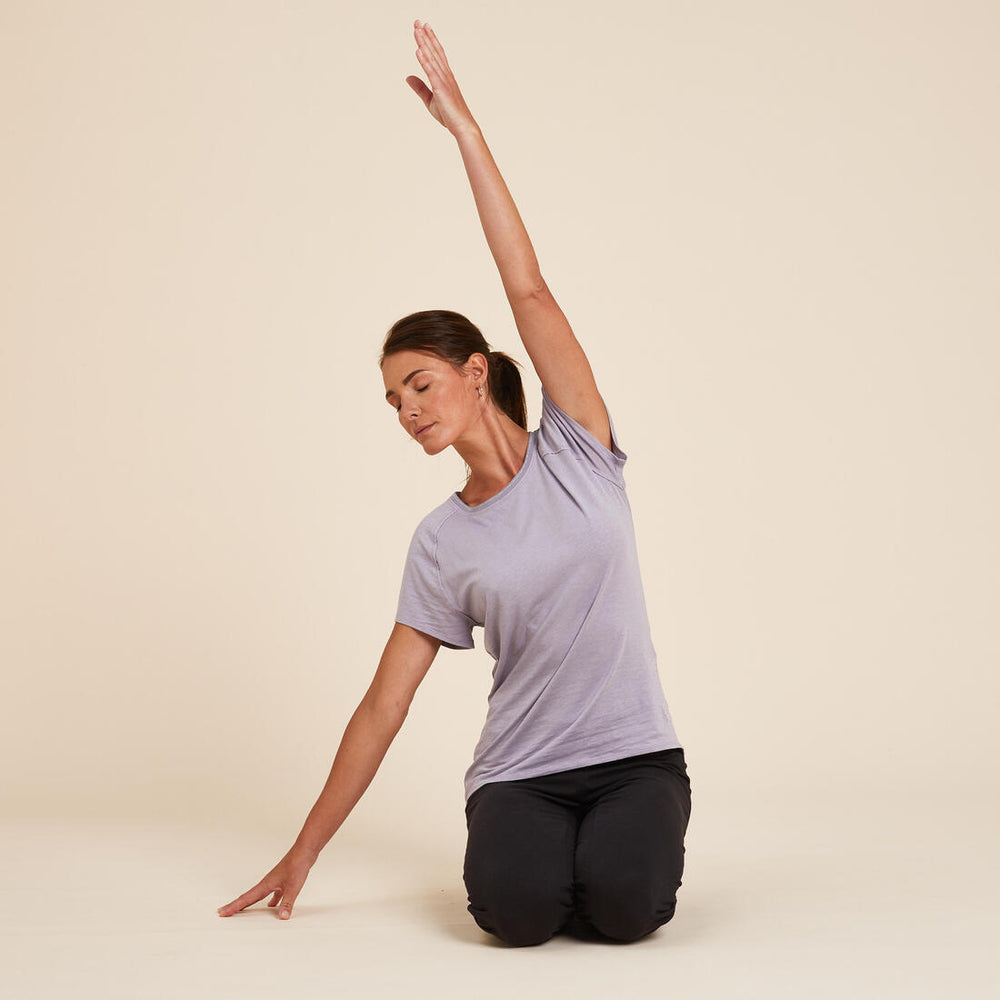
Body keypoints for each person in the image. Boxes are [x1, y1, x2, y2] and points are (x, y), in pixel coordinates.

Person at [217, 19, 691, 947]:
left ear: (476, 372)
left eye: (419, 385)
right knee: (516, 918)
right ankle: (546, 858)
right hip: (520, 773)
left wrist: (466, 133)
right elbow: (384, 706)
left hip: (635, 759)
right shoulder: (441, 540)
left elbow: (528, 290)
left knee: (626, 911)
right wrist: (305, 851)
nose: (407, 410)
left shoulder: (578, 448)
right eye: (393, 400)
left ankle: (613, 854)